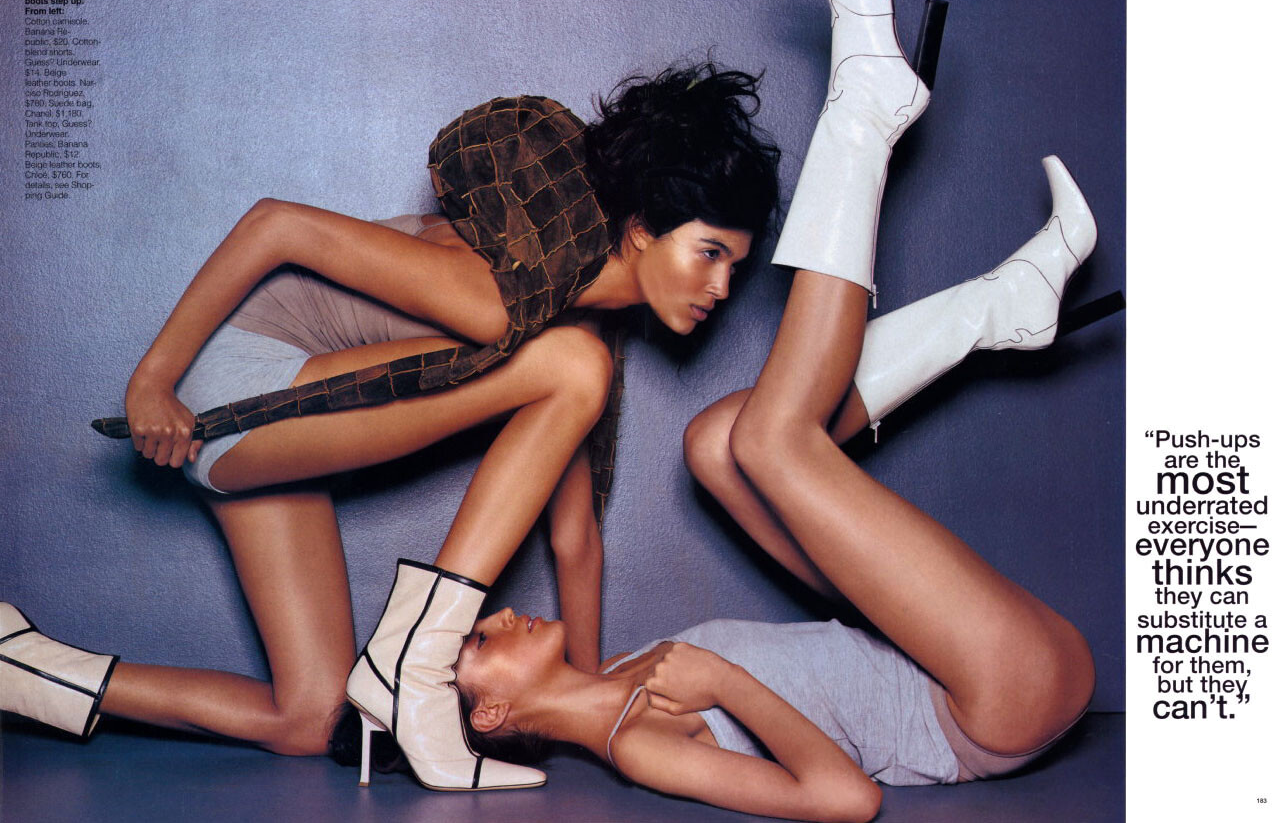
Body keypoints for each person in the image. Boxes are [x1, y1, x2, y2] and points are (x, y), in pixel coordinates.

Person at [431, 0, 1098, 821]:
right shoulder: (634, 744)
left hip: (942, 654)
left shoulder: (611, 676)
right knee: (770, 442)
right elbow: (847, 800)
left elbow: (575, 542)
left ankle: (1003, 307)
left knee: (716, 445)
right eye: (480, 640)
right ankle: (865, 109)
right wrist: (722, 682)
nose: (500, 613)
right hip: (991, 700)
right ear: (493, 714)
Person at [0, 64, 780, 791]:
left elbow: (575, 539)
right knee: (575, 365)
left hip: (290, 438)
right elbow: (278, 225)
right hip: (239, 389)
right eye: (708, 253)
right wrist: (151, 381)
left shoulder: (581, 331)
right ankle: (414, 662)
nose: (720, 288)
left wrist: (597, 713)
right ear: (641, 230)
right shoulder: (508, 296)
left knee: (310, 718)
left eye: (735, 268)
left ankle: (25, 668)